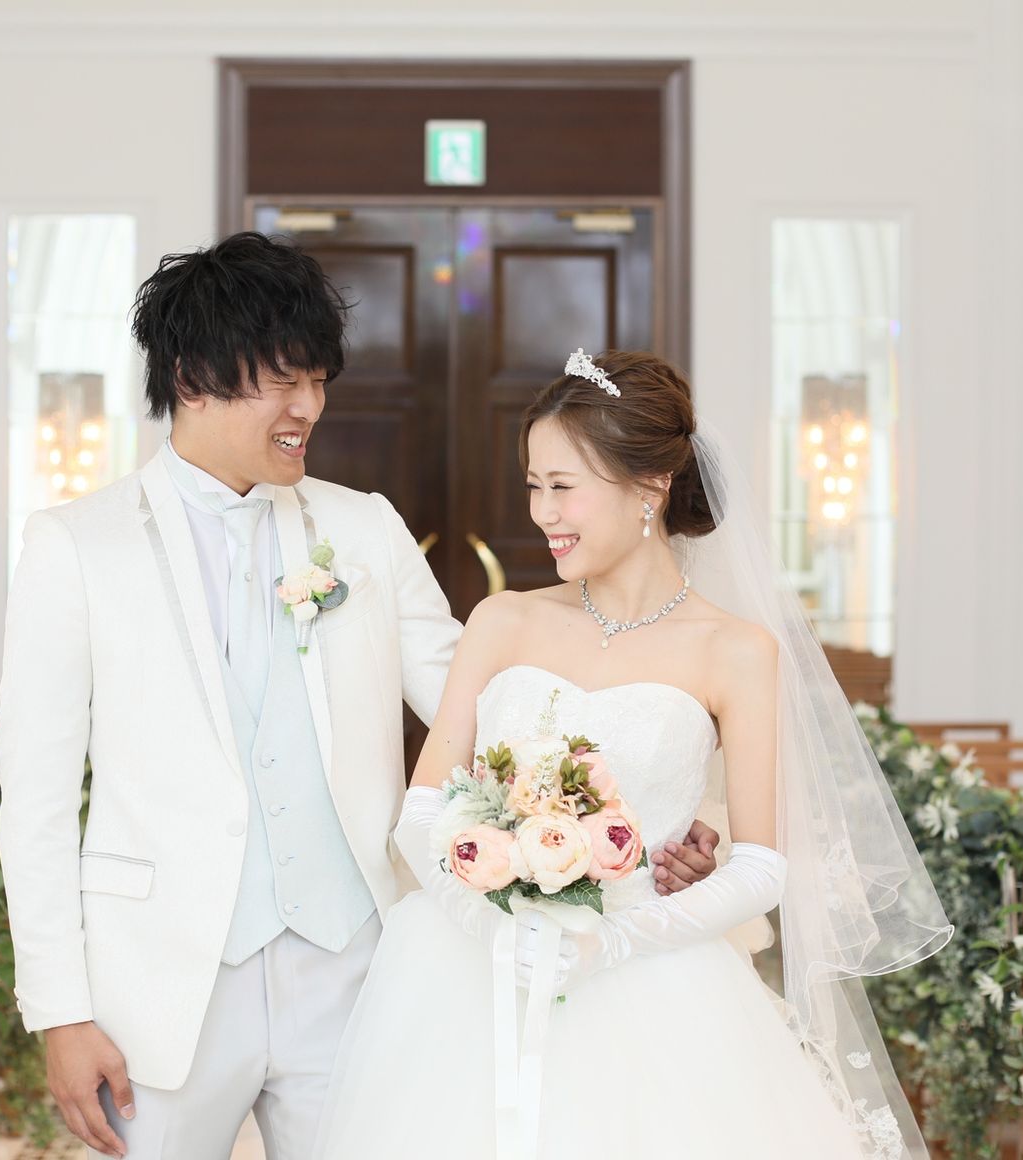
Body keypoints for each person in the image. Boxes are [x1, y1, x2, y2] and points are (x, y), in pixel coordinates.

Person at [0, 236, 721, 1160]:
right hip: (161, 987)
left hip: (355, 973)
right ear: (190, 377)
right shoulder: (75, 546)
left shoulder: (364, 526)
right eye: (284, 381)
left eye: (319, 381)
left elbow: (494, 710)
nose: (310, 407)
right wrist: (60, 1011)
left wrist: (639, 816)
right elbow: (37, 802)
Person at [312, 350, 953, 1160]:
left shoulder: (738, 650)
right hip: (466, 971)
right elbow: (423, 810)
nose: (543, 513)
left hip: (652, 978)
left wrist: (609, 941)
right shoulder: (502, 620)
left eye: (564, 486)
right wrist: (484, 920)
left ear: (649, 486)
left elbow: (762, 868)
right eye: (534, 485)